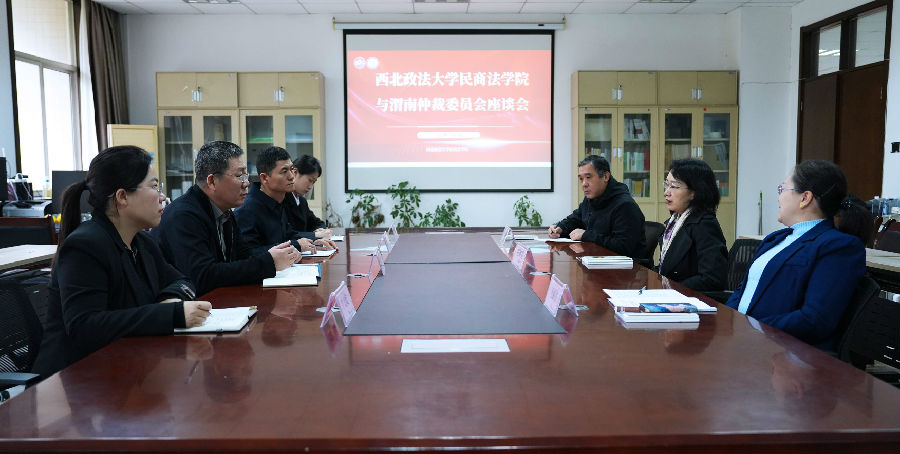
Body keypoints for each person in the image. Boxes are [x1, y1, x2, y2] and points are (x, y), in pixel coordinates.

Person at [32, 146, 211, 378]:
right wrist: (170, 314)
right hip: (74, 379)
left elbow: (183, 281)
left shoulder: (142, 242)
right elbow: (85, 326)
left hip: (126, 366)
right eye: (154, 187)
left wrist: (170, 299)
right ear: (122, 196)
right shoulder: (85, 246)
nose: (162, 197)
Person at [726, 160, 866, 351]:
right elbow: (742, 291)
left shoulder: (838, 246)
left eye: (782, 189)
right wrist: (727, 320)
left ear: (805, 198)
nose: (779, 198)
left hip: (783, 351)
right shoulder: (775, 239)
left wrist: (753, 330)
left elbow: (815, 319)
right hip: (745, 342)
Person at [152, 141, 299, 297]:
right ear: (212, 181)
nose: (246, 183)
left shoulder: (224, 211)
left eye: (246, 175)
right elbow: (202, 276)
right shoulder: (184, 215)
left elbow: (243, 256)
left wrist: (275, 254)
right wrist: (268, 262)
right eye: (239, 176)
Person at [234, 146, 335, 255]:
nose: (291, 176)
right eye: (284, 171)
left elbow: (288, 235)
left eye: (291, 169)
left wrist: (314, 240)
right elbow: (247, 254)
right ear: (264, 178)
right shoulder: (247, 209)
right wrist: (297, 244)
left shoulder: (276, 201)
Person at [548, 155, 646, 262]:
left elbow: (622, 247)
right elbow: (575, 219)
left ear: (605, 177)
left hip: (628, 268)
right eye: (581, 179)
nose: (584, 184)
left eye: (588, 177)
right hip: (597, 262)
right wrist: (560, 228)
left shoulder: (625, 205)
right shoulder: (591, 199)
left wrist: (587, 235)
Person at [656, 159, 728, 291]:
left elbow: (711, 278)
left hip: (691, 299)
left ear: (694, 192)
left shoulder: (704, 225)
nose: (666, 192)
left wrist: (671, 290)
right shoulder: (675, 222)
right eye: (666, 184)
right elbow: (666, 268)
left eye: (674, 186)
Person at [286, 154, 332, 240]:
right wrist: (316, 235)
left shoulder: (302, 201)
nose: (311, 187)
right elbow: (288, 234)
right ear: (295, 173)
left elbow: (317, 222)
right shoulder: (282, 198)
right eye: (310, 180)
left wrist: (320, 230)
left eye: (313, 182)